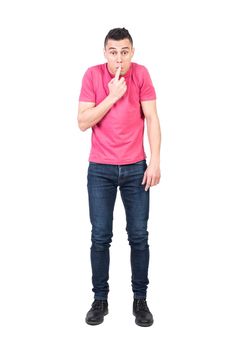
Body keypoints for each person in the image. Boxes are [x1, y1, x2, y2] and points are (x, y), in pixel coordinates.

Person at [77, 27, 161, 327]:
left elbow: (152, 118)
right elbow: (82, 122)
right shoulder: (92, 76)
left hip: (136, 168)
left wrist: (155, 161)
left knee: (139, 236)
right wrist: (112, 97)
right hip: (100, 169)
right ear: (105, 53)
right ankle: (100, 300)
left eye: (124, 51)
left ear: (132, 52)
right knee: (100, 237)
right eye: (113, 52)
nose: (119, 58)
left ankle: (141, 300)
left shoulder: (141, 74)